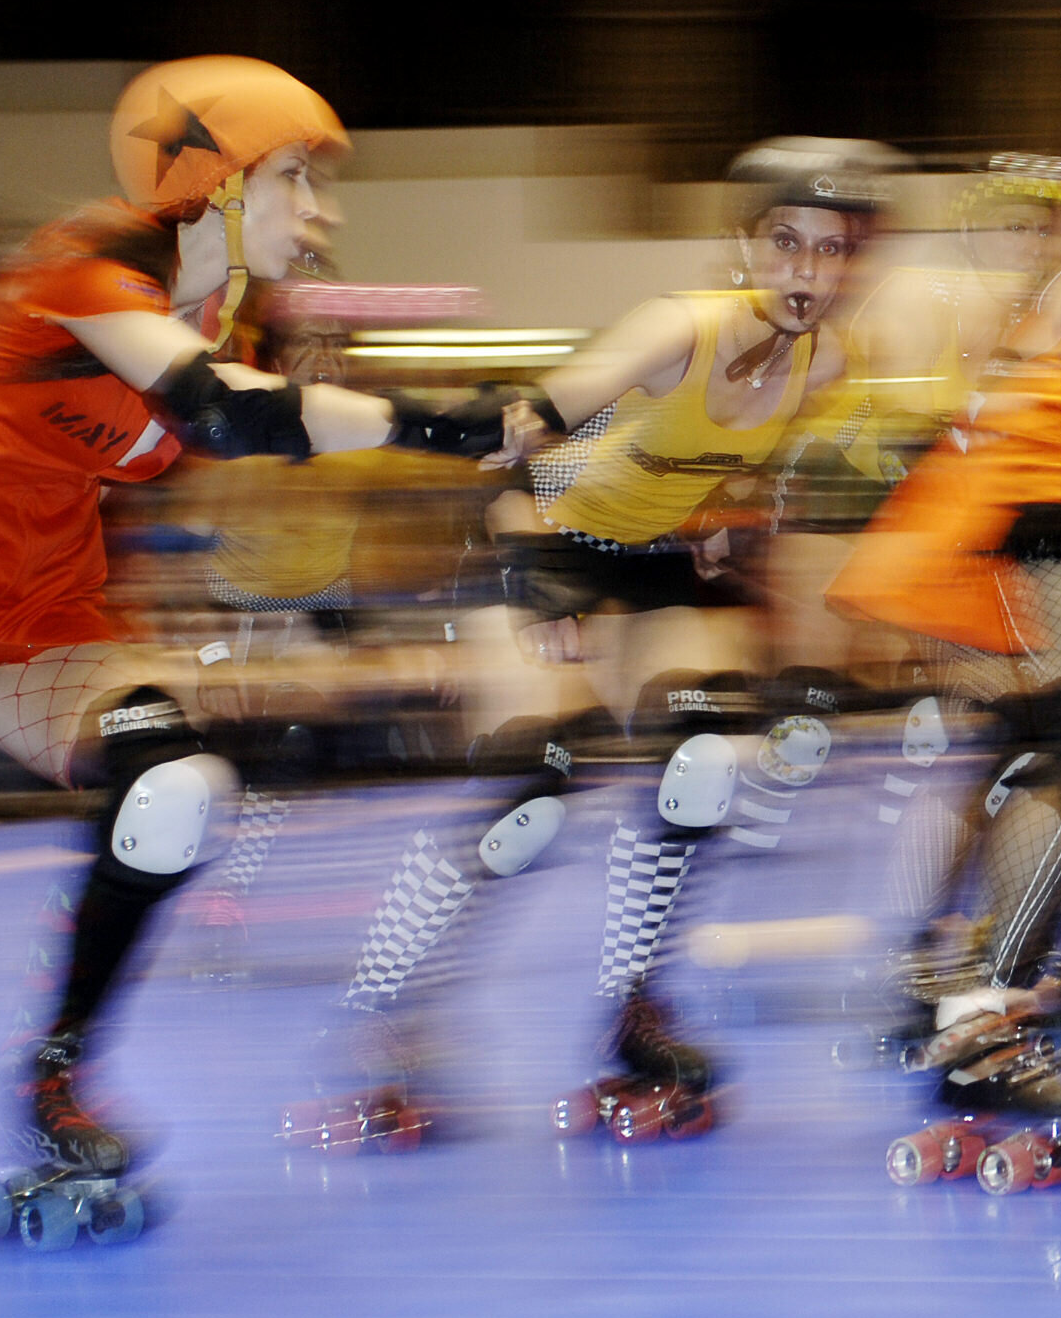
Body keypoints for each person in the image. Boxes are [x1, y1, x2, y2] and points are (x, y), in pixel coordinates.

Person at [0, 55, 509, 1212]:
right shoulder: (88, 267)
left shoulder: (221, 313)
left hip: (44, 612)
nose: (324, 211)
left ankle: (56, 1078)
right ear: (211, 182)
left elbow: (276, 414)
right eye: (298, 178)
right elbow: (229, 416)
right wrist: (447, 427)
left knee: (176, 788)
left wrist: (482, 436)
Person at [302, 139, 904, 1142]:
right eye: (788, 243)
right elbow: (521, 439)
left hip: (655, 563)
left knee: (706, 760)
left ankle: (634, 1005)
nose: (809, 271)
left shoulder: (828, 360)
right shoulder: (679, 327)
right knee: (532, 796)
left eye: (833, 249)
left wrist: (720, 514)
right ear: (744, 248)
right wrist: (536, 583)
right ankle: (385, 1017)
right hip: (545, 540)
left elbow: (714, 465)